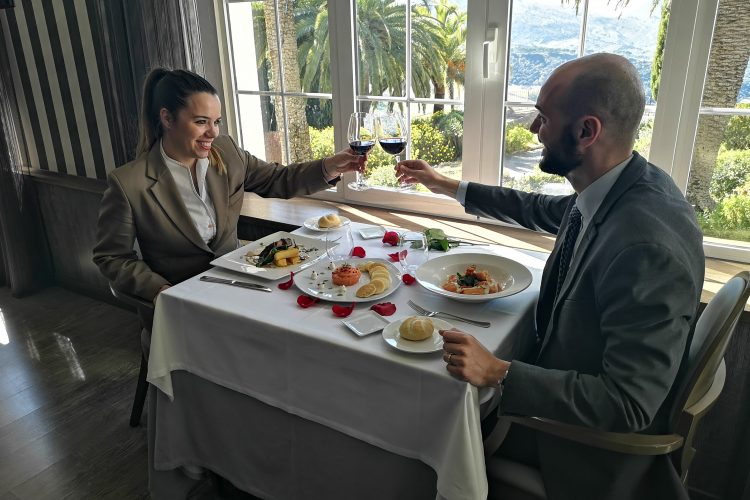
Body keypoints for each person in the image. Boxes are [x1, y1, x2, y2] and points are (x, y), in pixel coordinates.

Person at [396, 53, 704, 499]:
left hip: (583, 451)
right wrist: (447, 185)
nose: (533, 130)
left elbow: (628, 404)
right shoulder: (627, 185)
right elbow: (541, 210)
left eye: (543, 118)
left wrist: (500, 370)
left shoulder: (644, 249)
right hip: (564, 383)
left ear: (586, 131)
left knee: (420, 425)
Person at [93, 68, 364, 308]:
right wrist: (159, 291)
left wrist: (331, 166)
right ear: (167, 118)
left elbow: (277, 179)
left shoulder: (227, 152)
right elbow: (112, 257)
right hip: (184, 303)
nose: (213, 133)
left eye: (216, 121)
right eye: (201, 122)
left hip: (243, 288)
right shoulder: (129, 183)